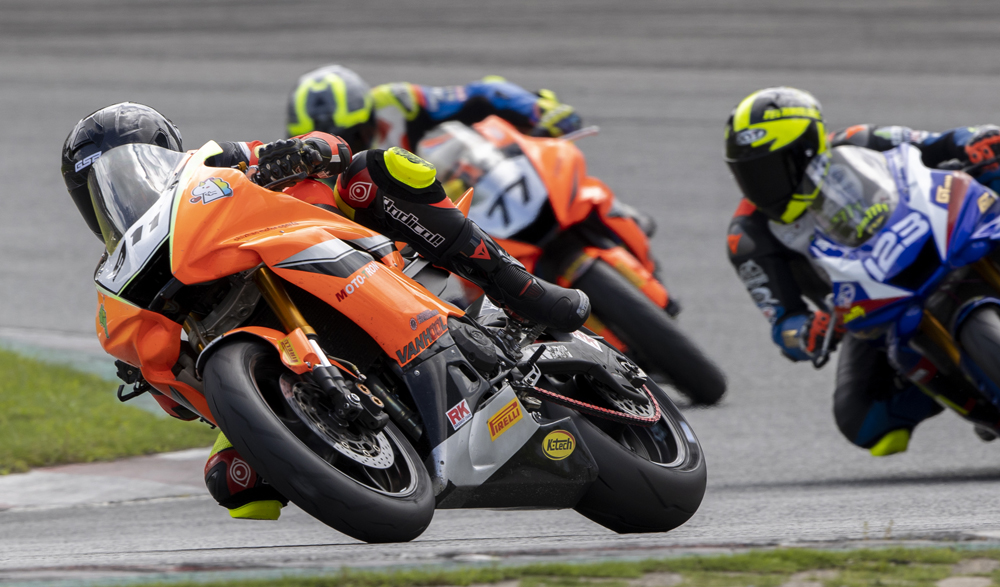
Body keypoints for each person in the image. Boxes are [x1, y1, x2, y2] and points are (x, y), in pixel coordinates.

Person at [61, 102, 590, 520]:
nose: (123, 187)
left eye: (133, 165)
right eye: (101, 185)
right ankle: (361, 441)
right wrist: (153, 374)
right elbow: (186, 404)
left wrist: (305, 151)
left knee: (376, 171)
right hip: (281, 357)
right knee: (234, 484)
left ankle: (520, 290)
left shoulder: (214, 164)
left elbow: (332, 147)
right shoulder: (119, 277)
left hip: (355, 255)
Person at [722, 86, 1000, 456]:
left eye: (769, 169)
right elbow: (783, 322)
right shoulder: (748, 237)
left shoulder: (860, 141)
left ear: (807, 148)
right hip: (868, 306)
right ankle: (973, 391)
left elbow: (940, 143)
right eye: (748, 173)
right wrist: (806, 333)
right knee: (864, 421)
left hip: (937, 234)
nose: (760, 186)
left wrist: (977, 142)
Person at [285, 64, 582, 154]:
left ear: (370, 114)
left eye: (352, 136)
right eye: (323, 143)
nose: (343, 149)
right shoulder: (303, 170)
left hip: (449, 198)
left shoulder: (397, 101)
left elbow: (482, 92)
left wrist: (537, 110)